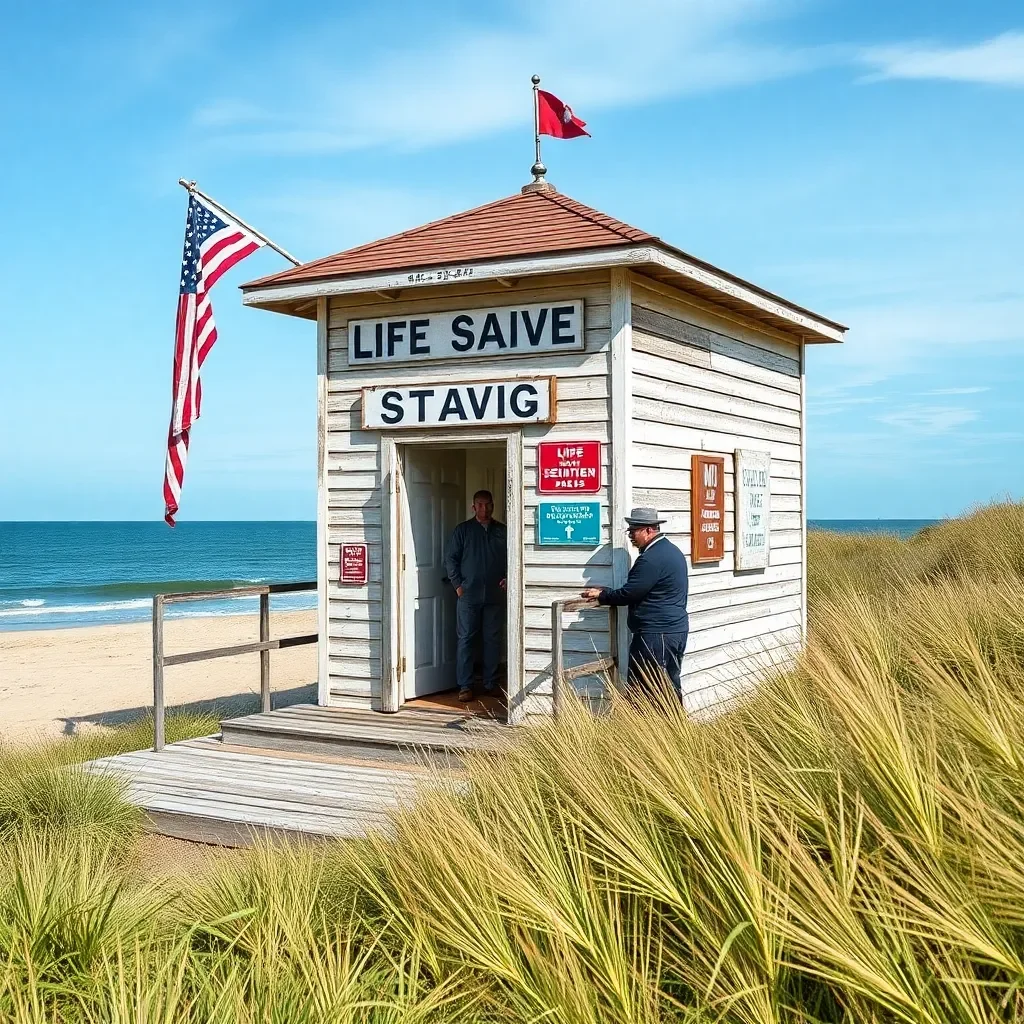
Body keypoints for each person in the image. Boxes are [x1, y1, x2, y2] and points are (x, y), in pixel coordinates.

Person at [581, 507, 689, 702]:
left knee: (648, 688)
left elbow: (630, 593)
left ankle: (656, 729)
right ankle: (674, 729)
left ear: (649, 530)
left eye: (634, 530)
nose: (631, 535)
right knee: (666, 685)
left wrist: (603, 595)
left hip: (657, 634)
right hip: (670, 631)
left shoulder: (651, 558)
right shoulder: (669, 551)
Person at [444, 490, 507, 702]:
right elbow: (451, 559)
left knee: (493, 640)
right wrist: (458, 586)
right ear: (473, 507)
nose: (484, 509)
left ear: (493, 505)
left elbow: (513, 557)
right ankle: (465, 686)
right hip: (468, 595)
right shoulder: (463, 530)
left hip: (495, 595)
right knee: (466, 639)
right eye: (480, 505)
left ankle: (490, 683)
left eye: (488, 504)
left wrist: (509, 578)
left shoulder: (502, 531)